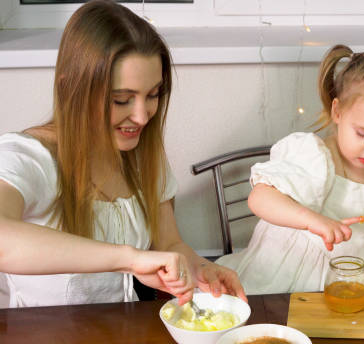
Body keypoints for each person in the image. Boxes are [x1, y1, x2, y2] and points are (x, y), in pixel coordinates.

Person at [0, 0, 245, 308]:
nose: (142, 117)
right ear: (71, 88)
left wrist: (202, 269)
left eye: (153, 94)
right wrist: (128, 259)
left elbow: (169, 243)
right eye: (121, 100)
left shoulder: (143, 156)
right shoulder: (28, 157)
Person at [216, 44, 364, 294]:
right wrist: (312, 221)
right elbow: (260, 199)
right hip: (293, 261)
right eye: (362, 133)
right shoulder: (314, 156)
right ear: (337, 112)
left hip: (350, 264)